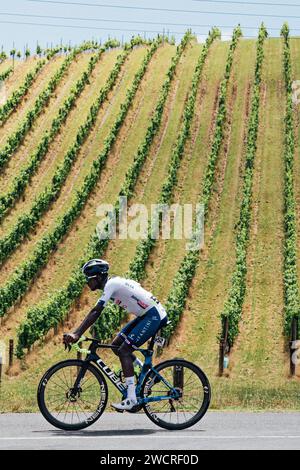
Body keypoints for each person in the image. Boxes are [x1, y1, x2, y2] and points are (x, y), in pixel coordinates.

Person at [63, 259, 168, 411]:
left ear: (99, 277)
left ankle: (131, 398)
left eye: (89, 279)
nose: (87, 283)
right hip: (146, 315)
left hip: (153, 315)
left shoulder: (111, 284)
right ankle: (148, 375)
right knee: (116, 345)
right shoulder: (113, 284)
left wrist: (77, 333)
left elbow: (96, 311)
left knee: (124, 351)